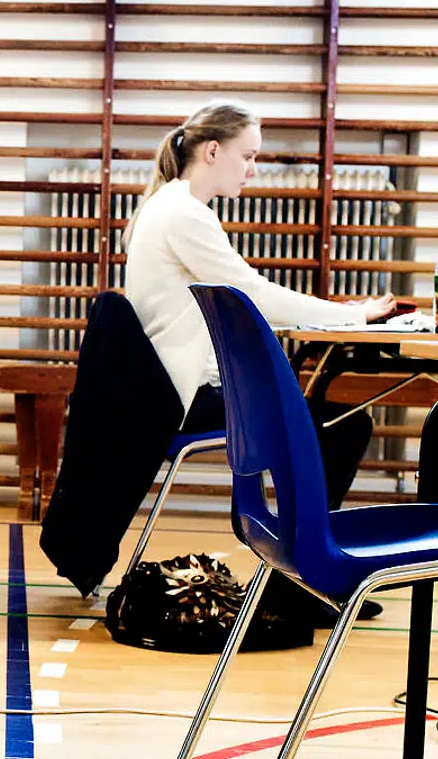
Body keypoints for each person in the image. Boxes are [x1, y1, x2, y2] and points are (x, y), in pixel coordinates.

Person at [124, 100, 396, 622]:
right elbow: (253, 295)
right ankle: (298, 582)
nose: (253, 169)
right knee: (339, 427)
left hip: (178, 391)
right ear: (212, 151)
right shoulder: (183, 214)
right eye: (247, 156)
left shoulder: (172, 206)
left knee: (328, 423)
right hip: (186, 399)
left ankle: (296, 577)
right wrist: (354, 315)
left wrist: (344, 314)